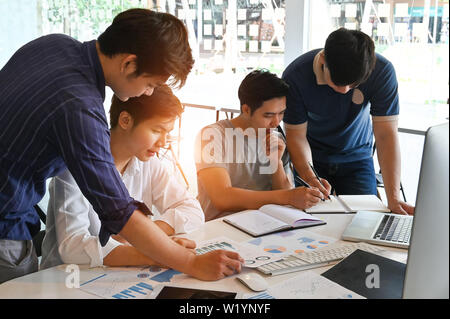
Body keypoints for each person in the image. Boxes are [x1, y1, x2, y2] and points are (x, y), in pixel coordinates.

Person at [0, 8, 242, 284]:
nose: (149, 92)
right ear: (128, 64)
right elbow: (118, 212)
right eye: (150, 84)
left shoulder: (54, 44)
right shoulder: (80, 108)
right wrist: (190, 262)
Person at [41, 85, 204, 269]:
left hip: (120, 275)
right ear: (125, 120)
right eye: (157, 130)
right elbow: (71, 247)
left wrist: (146, 237)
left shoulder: (148, 163)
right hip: (67, 279)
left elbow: (192, 210)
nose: (163, 143)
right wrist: (154, 252)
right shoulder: (75, 165)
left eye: (168, 133)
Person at [282, 28, 414, 215]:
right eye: (337, 82)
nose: (344, 90)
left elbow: (386, 135)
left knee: (367, 218)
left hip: (357, 157)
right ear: (322, 60)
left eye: (353, 85)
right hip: (312, 157)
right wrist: (310, 177)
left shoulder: (382, 71)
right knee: (310, 221)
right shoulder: (295, 77)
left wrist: (393, 198)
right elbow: (296, 137)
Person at [195, 70, 324, 221]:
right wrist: (289, 196)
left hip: (264, 224)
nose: (276, 122)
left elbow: (285, 196)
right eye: (268, 115)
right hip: (221, 226)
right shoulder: (212, 136)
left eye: (281, 113)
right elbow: (223, 198)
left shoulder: (275, 136)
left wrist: (276, 163)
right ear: (246, 109)